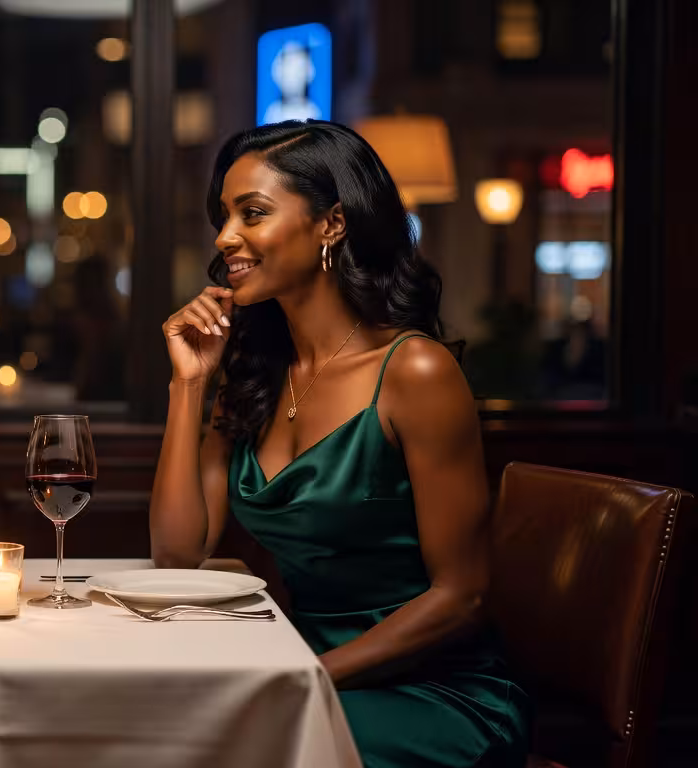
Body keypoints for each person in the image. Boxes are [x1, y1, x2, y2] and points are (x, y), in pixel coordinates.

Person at [148, 120, 529, 767]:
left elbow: (461, 596)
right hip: (307, 670)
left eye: (253, 213)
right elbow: (179, 552)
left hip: (431, 693)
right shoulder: (257, 375)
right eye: (224, 216)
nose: (224, 237)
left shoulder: (416, 372)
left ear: (332, 224)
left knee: (223, 744)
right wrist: (189, 386)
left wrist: (305, 675)